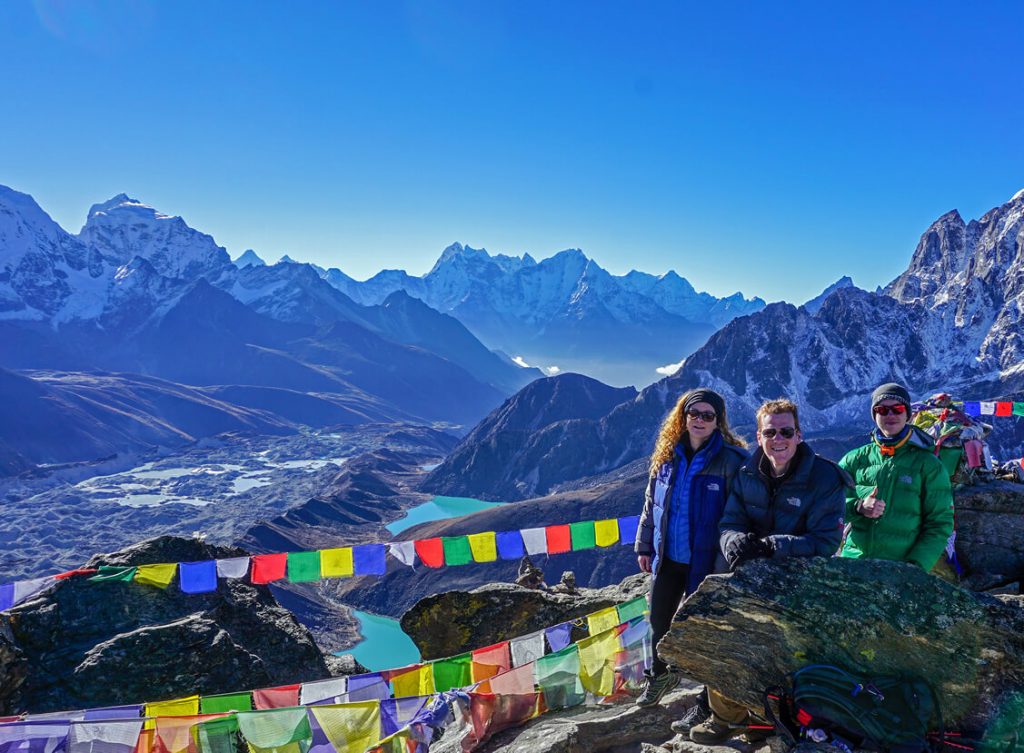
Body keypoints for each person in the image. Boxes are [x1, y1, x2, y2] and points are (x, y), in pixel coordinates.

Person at [683, 398, 850, 744]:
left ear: (799, 435)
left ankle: (788, 719)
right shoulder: (747, 474)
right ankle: (727, 717)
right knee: (726, 637)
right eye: (770, 432)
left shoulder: (825, 478)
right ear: (758, 437)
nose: (779, 439)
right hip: (752, 576)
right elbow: (730, 521)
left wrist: (773, 545)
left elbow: (824, 541)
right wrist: (734, 545)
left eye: (786, 431)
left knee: (793, 653)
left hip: (803, 581)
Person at [634, 388, 748, 707]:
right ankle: (660, 677)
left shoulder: (733, 461)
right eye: (693, 413)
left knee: (704, 631)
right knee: (659, 621)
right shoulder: (667, 456)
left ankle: (706, 699)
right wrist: (645, 546)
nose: (699, 420)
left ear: (718, 421)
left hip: (709, 562)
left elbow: (745, 512)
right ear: (682, 417)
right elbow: (650, 505)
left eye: (707, 415)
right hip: (668, 558)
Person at [837, 383, 954, 571]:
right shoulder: (854, 459)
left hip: (902, 568)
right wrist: (858, 507)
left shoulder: (928, 465)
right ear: (874, 415)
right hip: (855, 562)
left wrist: (916, 566)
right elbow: (828, 505)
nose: (890, 415)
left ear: (907, 414)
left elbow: (940, 522)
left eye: (897, 409)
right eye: (882, 410)